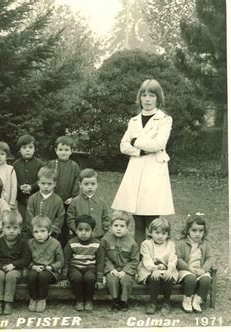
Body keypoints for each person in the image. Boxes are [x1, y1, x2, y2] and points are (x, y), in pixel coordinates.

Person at [112, 79, 174, 246]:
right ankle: (138, 258)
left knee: (152, 219)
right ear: (139, 98)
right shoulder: (133, 121)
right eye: (144, 95)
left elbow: (159, 144)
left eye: (151, 95)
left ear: (158, 98)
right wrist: (140, 150)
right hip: (136, 170)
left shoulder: (164, 119)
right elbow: (123, 146)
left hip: (154, 170)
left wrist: (136, 141)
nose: (147, 99)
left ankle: (155, 257)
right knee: (137, 218)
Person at [0, 211, 31, 316]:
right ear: (3, 228)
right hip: (0, 267)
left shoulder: (23, 242)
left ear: (20, 229)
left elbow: (26, 259)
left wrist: (14, 265)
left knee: (11, 275)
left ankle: (8, 302)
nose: (11, 231)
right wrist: (1, 266)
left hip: (16, 269)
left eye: (15, 228)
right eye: (8, 228)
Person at [60, 215, 104, 311]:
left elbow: (100, 262)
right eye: (80, 229)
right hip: (74, 267)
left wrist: (100, 279)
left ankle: (89, 300)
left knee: (90, 277)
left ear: (92, 231)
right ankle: (79, 300)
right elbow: (66, 260)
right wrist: (63, 278)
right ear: (75, 230)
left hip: (90, 267)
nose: (83, 233)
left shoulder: (97, 244)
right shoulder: (71, 243)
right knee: (76, 277)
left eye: (87, 230)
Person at [137, 217, 178, 315]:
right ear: (150, 232)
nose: (160, 236)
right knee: (154, 277)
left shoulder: (170, 244)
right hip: (149, 269)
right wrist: (153, 269)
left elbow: (173, 258)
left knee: (168, 277)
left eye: (163, 233)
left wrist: (170, 269)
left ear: (168, 234)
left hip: (166, 269)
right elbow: (146, 258)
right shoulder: (146, 244)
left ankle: (166, 302)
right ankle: (152, 302)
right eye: (157, 232)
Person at [101, 210, 139, 311]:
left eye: (122, 226)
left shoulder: (132, 243)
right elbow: (104, 257)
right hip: (112, 268)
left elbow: (134, 260)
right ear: (111, 227)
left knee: (126, 281)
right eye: (116, 225)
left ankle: (124, 301)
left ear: (127, 228)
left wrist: (125, 271)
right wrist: (110, 269)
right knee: (112, 280)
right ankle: (115, 300)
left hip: (126, 270)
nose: (119, 229)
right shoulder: (105, 240)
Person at [47, 136, 81, 248]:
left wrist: (73, 197)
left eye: (66, 150)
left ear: (71, 151)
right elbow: (47, 179)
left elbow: (77, 182)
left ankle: (64, 248)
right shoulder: (52, 164)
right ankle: (50, 245)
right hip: (53, 200)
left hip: (67, 201)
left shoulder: (74, 166)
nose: (63, 152)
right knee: (53, 222)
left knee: (65, 225)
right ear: (55, 150)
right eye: (60, 150)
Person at [176, 214, 214, 313]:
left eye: (201, 231)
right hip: (186, 270)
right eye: (194, 230)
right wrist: (189, 268)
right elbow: (178, 259)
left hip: (200, 270)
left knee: (206, 280)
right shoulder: (181, 243)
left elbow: (210, 258)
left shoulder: (206, 244)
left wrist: (203, 270)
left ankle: (197, 300)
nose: (197, 234)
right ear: (187, 230)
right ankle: (187, 299)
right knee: (191, 279)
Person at [27, 215, 63, 313]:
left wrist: (50, 267)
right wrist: (33, 266)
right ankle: (33, 298)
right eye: (36, 232)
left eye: (42, 231)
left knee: (43, 276)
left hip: (50, 272)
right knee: (31, 275)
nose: (39, 235)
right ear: (32, 232)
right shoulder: (30, 243)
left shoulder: (55, 243)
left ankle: (42, 299)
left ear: (49, 231)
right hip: (34, 268)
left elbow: (60, 261)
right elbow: (26, 259)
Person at [67, 169, 109, 239]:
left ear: (97, 185)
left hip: (97, 237)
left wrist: (102, 231)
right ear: (80, 185)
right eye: (86, 184)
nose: (90, 187)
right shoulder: (75, 201)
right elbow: (70, 219)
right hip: (79, 236)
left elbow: (106, 218)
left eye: (93, 184)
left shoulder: (101, 202)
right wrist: (77, 231)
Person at [26, 167, 64, 238]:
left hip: (51, 236)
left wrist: (50, 231)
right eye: (43, 183)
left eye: (49, 184)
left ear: (54, 184)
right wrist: (36, 230)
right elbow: (29, 216)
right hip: (34, 235)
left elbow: (60, 218)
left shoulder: (58, 200)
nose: (46, 186)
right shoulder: (33, 198)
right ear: (38, 183)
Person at [13, 134, 43, 221]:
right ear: (19, 150)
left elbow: (42, 179)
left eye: (30, 147)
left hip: (36, 198)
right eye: (24, 147)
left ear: (34, 149)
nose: (27, 150)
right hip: (21, 199)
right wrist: (19, 186)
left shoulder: (39, 164)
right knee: (22, 220)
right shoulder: (16, 164)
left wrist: (32, 187)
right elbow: (13, 179)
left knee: (35, 220)